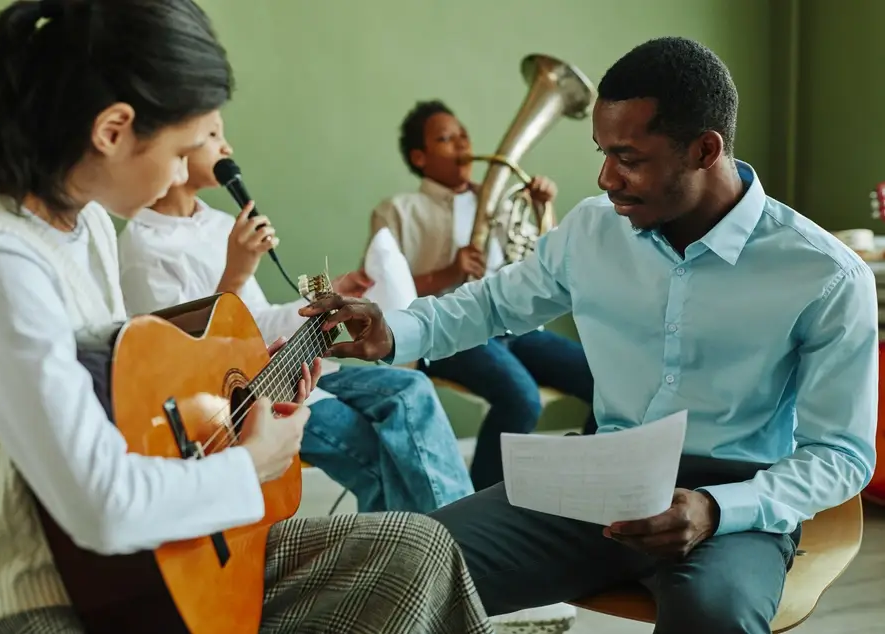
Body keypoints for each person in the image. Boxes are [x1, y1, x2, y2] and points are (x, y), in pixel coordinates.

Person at [0, 2, 493, 633]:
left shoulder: (85, 222)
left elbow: (131, 406)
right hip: (39, 595)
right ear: (113, 130)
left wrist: (256, 401)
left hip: (151, 559)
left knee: (416, 549)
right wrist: (252, 462)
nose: (184, 171)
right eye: (182, 150)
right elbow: (103, 508)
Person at [303, 36, 878, 633]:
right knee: (411, 564)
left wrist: (716, 508)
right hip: (597, 480)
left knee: (715, 617)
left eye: (629, 157)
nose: (606, 178)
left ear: (705, 150)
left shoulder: (825, 274)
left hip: (737, 505)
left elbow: (841, 455)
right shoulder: (590, 231)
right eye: (602, 153)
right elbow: (493, 303)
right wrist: (392, 329)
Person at [117, 110, 474, 514]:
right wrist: (234, 274)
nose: (226, 147)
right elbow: (183, 364)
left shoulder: (218, 225)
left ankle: (455, 538)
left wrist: (332, 292)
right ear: (175, 145)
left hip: (286, 371)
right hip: (240, 402)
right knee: (379, 457)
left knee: (412, 391)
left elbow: (259, 321)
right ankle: (447, 550)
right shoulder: (144, 248)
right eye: (212, 134)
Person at [369, 100, 595, 493]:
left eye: (463, 135)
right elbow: (385, 290)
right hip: (450, 331)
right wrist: (449, 273)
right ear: (419, 157)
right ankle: (480, 504)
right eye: (445, 139)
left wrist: (544, 210)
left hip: (513, 327)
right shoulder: (397, 210)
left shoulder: (501, 202)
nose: (461, 145)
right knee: (522, 399)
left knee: (604, 379)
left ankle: (592, 488)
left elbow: (541, 263)